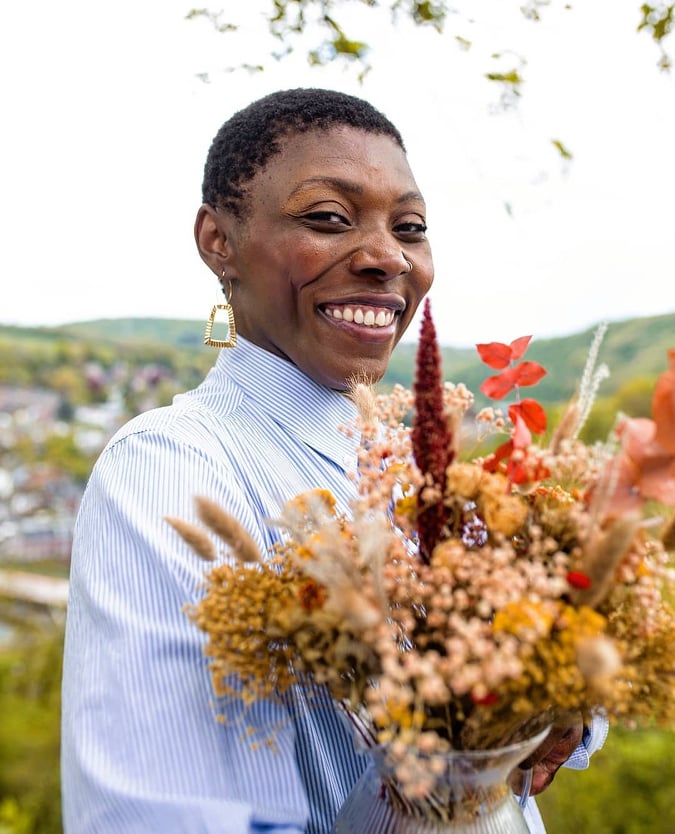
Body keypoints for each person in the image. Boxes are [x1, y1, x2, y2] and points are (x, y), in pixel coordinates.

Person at [60, 88, 607, 834]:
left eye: (409, 227)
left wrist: (558, 705)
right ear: (218, 240)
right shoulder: (173, 468)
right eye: (327, 218)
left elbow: (545, 690)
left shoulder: (427, 470)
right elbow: (172, 816)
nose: (386, 257)